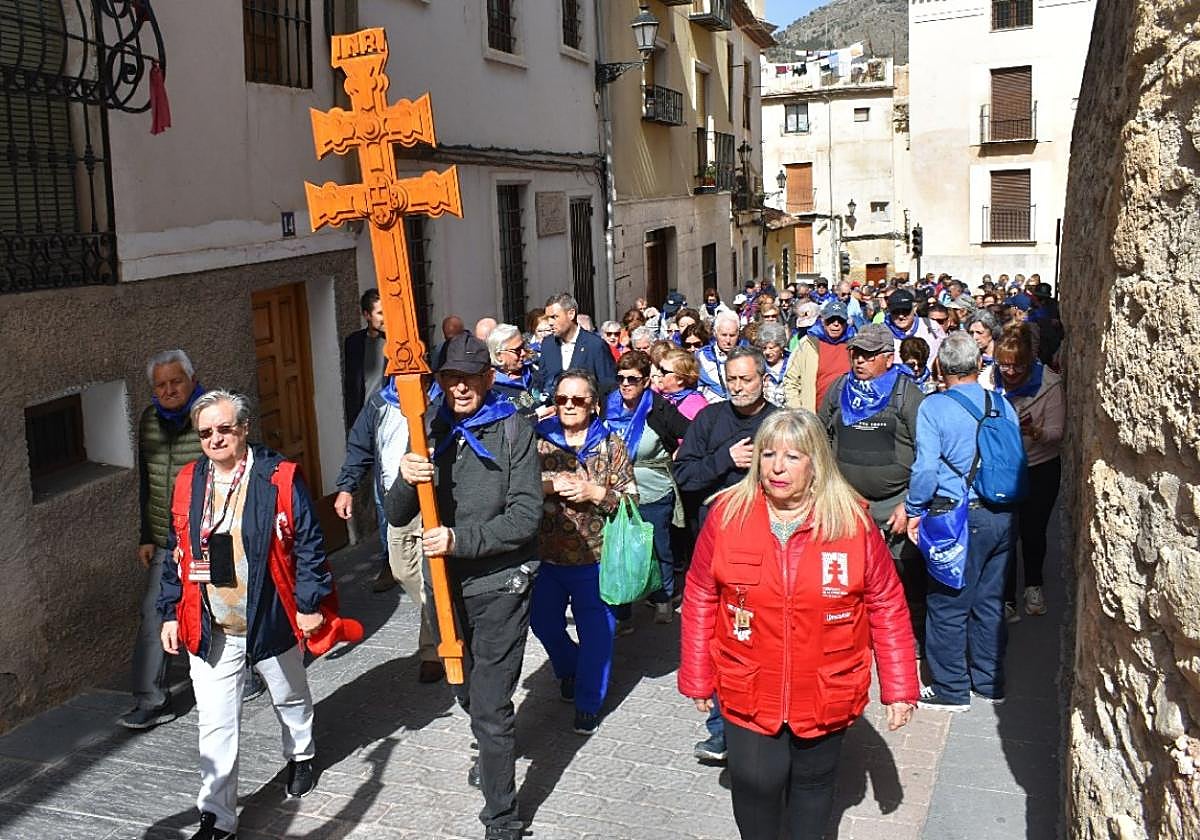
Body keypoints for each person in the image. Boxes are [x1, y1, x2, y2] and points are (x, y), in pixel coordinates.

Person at [679, 410, 918, 840]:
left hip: (827, 687)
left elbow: (886, 602)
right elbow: (700, 593)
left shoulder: (852, 521)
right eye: (768, 454)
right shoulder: (727, 515)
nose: (776, 467)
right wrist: (697, 674)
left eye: (792, 456)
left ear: (816, 462)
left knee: (813, 787)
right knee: (757, 785)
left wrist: (899, 687)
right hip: (747, 682)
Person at [387, 334, 542, 840]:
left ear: (487, 379)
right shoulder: (427, 426)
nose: (459, 388)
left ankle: (502, 816)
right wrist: (408, 476)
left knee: (493, 705)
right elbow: (394, 513)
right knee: (466, 692)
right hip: (445, 589)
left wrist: (459, 539)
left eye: (470, 377)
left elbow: (525, 518)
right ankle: (493, 750)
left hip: (500, 584)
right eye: (450, 377)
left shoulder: (512, 427)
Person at [158, 390, 332, 839]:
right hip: (210, 623)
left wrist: (309, 603)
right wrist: (169, 611)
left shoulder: (278, 477)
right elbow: (174, 551)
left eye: (224, 429)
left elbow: (311, 545)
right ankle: (217, 817)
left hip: (270, 614)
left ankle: (301, 753)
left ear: (244, 430)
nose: (215, 439)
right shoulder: (187, 481)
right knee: (215, 725)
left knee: (289, 694)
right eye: (205, 432)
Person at [674, 347, 779, 762]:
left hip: (768, 551)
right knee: (723, 637)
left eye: (746, 379)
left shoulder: (779, 423)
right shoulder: (709, 420)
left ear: (763, 379)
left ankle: (766, 718)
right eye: (732, 379)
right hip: (716, 549)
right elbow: (683, 475)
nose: (738, 387)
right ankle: (721, 728)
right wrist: (725, 459)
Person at [906, 333, 1020, 711]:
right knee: (989, 601)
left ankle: (951, 688)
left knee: (948, 604)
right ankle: (988, 681)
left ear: (940, 366)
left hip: (957, 515)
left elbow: (925, 469)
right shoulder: (1001, 404)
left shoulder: (934, 407)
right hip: (1002, 513)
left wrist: (914, 509)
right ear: (979, 365)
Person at [531, 370, 636, 735]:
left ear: (592, 403)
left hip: (597, 558)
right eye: (562, 399)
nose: (569, 406)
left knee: (597, 634)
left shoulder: (611, 444)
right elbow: (518, 487)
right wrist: (548, 486)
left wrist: (596, 494)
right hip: (547, 556)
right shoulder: (539, 441)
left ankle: (589, 701)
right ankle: (569, 668)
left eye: (577, 400)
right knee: (542, 623)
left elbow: (632, 501)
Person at [818, 324, 927, 654]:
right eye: (855, 354)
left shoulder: (908, 395)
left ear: (888, 359)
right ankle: (853, 637)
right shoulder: (839, 389)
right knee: (848, 577)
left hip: (896, 504)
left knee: (906, 575)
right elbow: (821, 436)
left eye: (867, 355)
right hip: (849, 503)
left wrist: (910, 504)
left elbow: (928, 454)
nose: (859, 361)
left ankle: (910, 642)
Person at [333, 376, 442, 682]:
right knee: (404, 571)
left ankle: (433, 648)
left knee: (432, 573)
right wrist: (346, 487)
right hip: (394, 499)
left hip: (432, 498)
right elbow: (359, 446)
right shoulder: (380, 401)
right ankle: (443, 620)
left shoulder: (439, 400)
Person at [123, 350, 207, 730]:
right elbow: (148, 482)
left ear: (191, 379)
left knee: (219, 609)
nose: (169, 389)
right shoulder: (149, 421)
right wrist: (146, 534)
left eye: (176, 381)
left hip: (208, 535)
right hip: (165, 540)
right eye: (161, 384)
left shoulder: (210, 416)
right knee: (153, 614)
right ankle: (151, 701)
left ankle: (248, 673)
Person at [604, 352, 691, 623]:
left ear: (645, 381)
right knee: (621, 549)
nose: (625, 384)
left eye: (633, 379)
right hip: (618, 491)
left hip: (654, 489)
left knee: (658, 546)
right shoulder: (608, 404)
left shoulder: (659, 408)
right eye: (621, 378)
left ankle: (663, 597)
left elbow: (690, 432)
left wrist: (678, 457)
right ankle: (623, 610)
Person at [987, 324, 1064, 620]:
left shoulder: (1050, 385)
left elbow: (1059, 433)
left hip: (1039, 466)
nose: (1009, 372)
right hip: (1002, 468)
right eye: (1003, 365)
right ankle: (1006, 598)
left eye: (1016, 366)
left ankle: (1034, 585)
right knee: (1006, 533)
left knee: (1033, 532)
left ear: (1029, 361)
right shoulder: (988, 381)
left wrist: (1036, 432)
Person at [538, 293, 617, 394]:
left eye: (554, 317)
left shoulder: (595, 345)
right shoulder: (548, 345)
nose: (550, 322)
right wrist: (517, 407)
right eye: (547, 318)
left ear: (571, 314)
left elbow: (609, 387)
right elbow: (539, 384)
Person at [782, 300, 854, 412]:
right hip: (813, 416)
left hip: (845, 415)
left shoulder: (854, 346)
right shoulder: (807, 344)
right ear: (822, 320)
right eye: (831, 320)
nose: (836, 324)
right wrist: (798, 412)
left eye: (840, 320)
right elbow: (790, 380)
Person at [342, 289, 386, 431]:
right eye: (380, 313)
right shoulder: (353, 343)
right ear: (367, 315)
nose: (385, 318)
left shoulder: (396, 343)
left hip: (390, 416)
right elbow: (351, 387)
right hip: (365, 420)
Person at [487, 323, 543, 417]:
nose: (523, 353)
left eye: (523, 346)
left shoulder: (532, 372)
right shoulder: (492, 388)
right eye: (517, 350)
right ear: (499, 355)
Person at [883, 288, 942, 362]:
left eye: (905, 311)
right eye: (896, 311)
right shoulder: (881, 332)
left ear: (914, 308)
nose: (901, 316)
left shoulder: (931, 326)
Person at [653, 348, 710, 420]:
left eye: (663, 371)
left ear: (680, 379)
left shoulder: (697, 406)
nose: (657, 373)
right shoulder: (652, 394)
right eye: (658, 368)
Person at [696, 311, 742, 403]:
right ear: (715, 333)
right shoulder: (702, 357)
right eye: (724, 335)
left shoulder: (748, 355)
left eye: (732, 335)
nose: (728, 340)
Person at [756, 322, 790, 407]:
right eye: (764, 348)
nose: (767, 352)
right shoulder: (758, 364)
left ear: (781, 346)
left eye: (771, 348)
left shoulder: (792, 362)